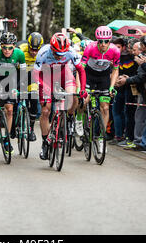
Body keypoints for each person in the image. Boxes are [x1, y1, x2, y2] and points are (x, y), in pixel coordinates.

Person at [33, 32, 87, 160]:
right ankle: (45, 143)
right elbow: (35, 74)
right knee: (46, 110)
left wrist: (82, 89)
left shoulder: (71, 51)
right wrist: (44, 87)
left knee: (73, 97)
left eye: (62, 54)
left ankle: (68, 118)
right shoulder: (43, 52)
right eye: (57, 54)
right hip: (45, 76)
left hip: (63, 73)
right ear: (52, 48)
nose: (59, 56)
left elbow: (81, 70)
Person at [80, 26, 120, 142]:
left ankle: (101, 138)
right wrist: (81, 87)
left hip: (103, 77)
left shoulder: (115, 51)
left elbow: (115, 70)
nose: (103, 44)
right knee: (84, 100)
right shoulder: (90, 48)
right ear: (97, 40)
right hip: (89, 75)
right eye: (100, 41)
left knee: (105, 108)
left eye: (106, 41)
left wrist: (112, 87)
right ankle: (79, 119)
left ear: (110, 41)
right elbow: (81, 68)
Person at [18, 32, 45, 141]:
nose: (34, 52)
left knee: (34, 98)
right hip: (20, 77)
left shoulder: (43, 53)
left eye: (36, 50)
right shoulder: (20, 49)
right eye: (32, 49)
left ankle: (31, 129)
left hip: (33, 78)